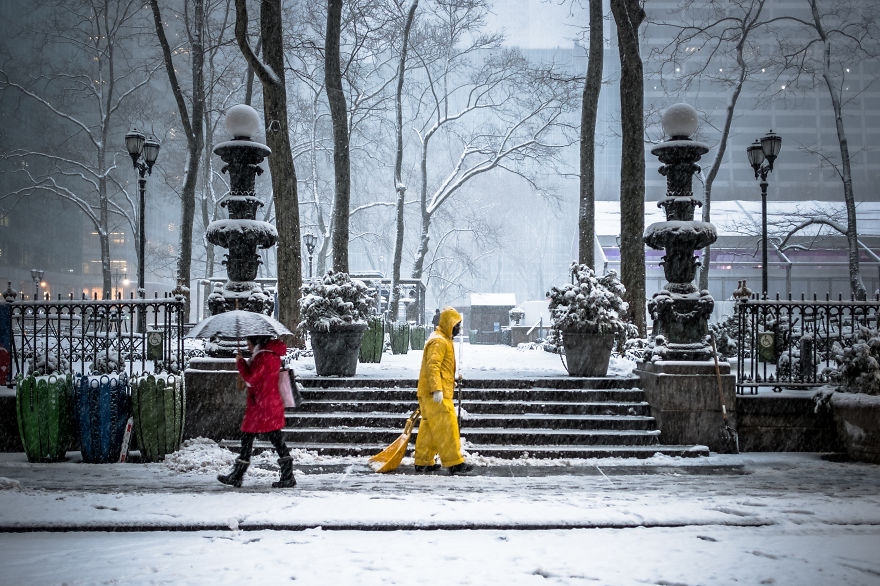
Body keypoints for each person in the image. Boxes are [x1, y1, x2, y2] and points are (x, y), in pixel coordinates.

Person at [217, 334, 296, 488]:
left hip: (262, 406)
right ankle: (286, 475)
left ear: (256, 342)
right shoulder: (270, 355)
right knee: (270, 440)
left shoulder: (263, 357)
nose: (247, 346)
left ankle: (239, 475)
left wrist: (241, 363)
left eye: (249, 342)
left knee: (254, 440)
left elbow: (251, 379)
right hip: (268, 404)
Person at [413, 307, 474, 475]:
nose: (458, 328)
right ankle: (455, 463)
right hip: (435, 394)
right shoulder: (439, 341)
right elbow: (433, 366)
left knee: (431, 428)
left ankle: (423, 461)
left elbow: (442, 368)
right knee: (448, 426)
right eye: (456, 325)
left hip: (432, 392)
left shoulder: (443, 339)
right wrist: (437, 389)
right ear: (449, 324)